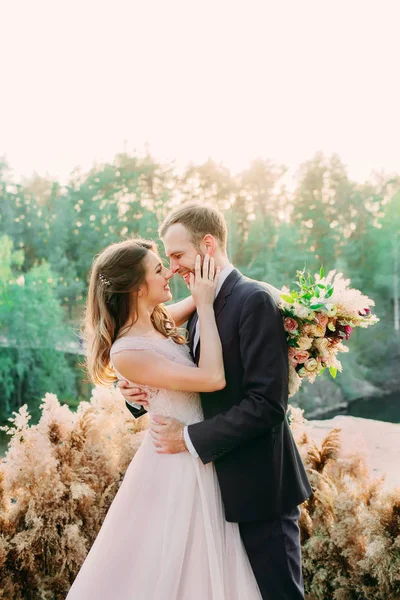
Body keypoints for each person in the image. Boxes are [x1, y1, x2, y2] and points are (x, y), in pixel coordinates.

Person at [119, 203, 313, 600]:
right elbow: (176, 374)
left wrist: (187, 438)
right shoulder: (200, 303)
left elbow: (267, 405)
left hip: (259, 484)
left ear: (208, 244)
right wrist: (137, 395)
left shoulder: (253, 299)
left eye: (177, 255)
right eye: (167, 259)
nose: (172, 267)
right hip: (210, 490)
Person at [67, 237, 262, 599]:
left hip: (197, 452)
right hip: (174, 464)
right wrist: (203, 305)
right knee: (168, 564)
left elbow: (217, 293)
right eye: (160, 269)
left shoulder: (158, 320)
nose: (169, 271)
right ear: (138, 287)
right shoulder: (128, 350)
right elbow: (211, 379)